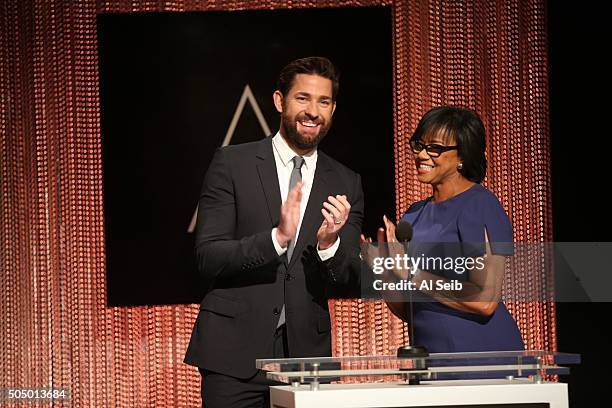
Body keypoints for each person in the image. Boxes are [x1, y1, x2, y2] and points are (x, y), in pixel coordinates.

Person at [184, 57, 363, 407]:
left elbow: (350, 276)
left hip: (306, 359)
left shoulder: (346, 180)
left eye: (323, 102)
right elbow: (208, 257)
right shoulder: (232, 164)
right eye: (303, 98)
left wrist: (329, 244)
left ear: (333, 109)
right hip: (233, 357)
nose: (313, 111)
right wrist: (276, 239)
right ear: (280, 101)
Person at [372, 106, 524, 353]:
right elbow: (409, 310)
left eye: (435, 148)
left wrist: (411, 273)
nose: (421, 155)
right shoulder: (413, 214)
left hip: (482, 354)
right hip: (432, 354)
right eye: (418, 145)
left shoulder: (480, 205)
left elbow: (484, 299)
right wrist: (385, 272)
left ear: (462, 156)